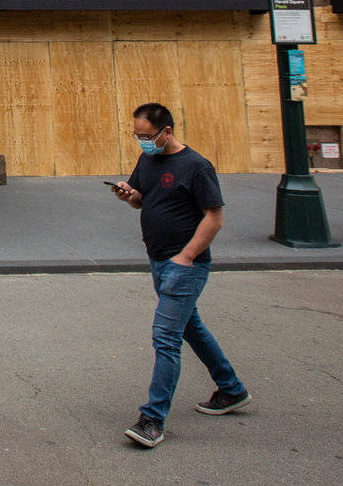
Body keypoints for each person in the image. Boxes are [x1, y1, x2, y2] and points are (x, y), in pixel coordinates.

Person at [110, 102, 249, 448]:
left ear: (166, 131)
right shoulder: (148, 159)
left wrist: (187, 257)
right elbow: (144, 199)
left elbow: (213, 217)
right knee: (191, 327)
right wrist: (129, 195)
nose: (141, 141)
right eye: (136, 135)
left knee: (166, 338)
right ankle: (231, 389)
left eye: (146, 136)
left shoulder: (197, 167)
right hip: (159, 259)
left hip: (184, 265)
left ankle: (152, 419)